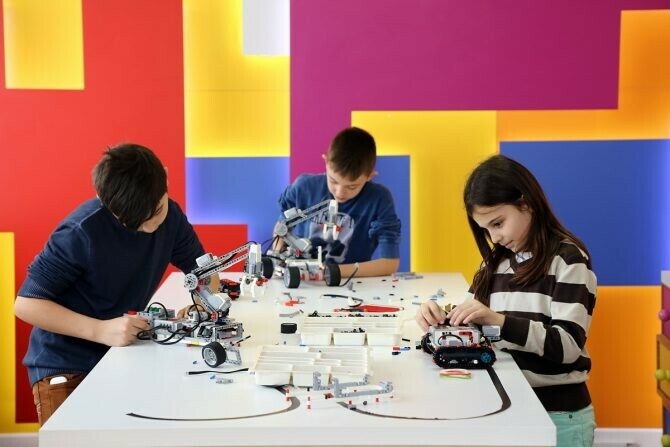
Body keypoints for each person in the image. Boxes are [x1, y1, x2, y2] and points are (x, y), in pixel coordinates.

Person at [14, 143, 213, 425]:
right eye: (133, 222)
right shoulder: (80, 232)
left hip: (122, 355)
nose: (148, 226)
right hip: (65, 365)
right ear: (104, 200)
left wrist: (204, 303)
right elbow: (26, 304)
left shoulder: (172, 217)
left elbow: (204, 269)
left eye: (156, 211)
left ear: (166, 179)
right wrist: (100, 330)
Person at [415, 155, 596, 447]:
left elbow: (567, 346)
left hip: (559, 416)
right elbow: (472, 324)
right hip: (508, 409)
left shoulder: (568, 260)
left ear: (526, 203)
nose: (495, 237)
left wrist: (500, 322)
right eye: (486, 230)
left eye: (498, 223)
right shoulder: (494, 265)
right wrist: (440, 320)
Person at [275, 127, 401, 278]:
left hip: (351, 282)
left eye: (352, 186)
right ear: (326, 162)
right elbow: (281, 229)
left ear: (369, 176)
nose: (340, 193)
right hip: (302, 281)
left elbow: (389, 264)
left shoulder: (379, 199)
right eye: (333, 181)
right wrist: (277, 258)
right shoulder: (303, 188)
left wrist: (329, 273)